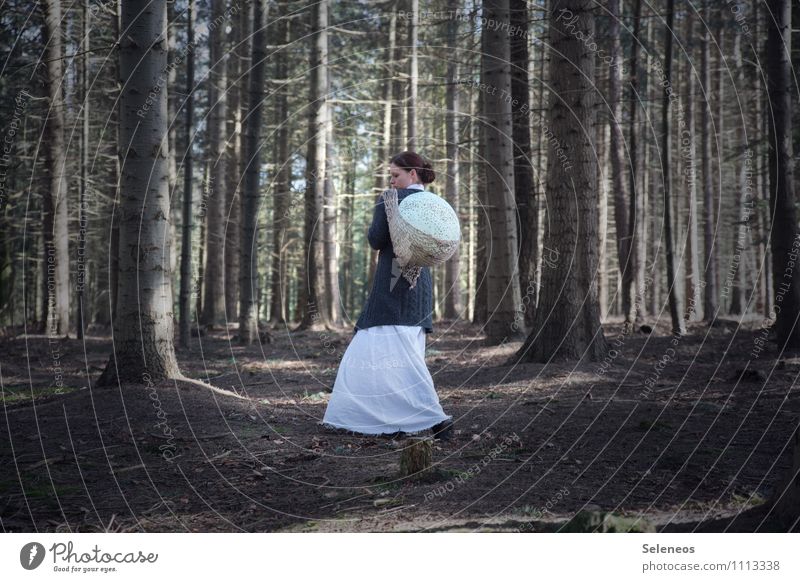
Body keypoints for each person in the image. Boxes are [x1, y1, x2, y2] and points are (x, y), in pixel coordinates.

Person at [321, 151, 453, 440]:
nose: (391, 181)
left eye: (395, 175)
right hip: (420, 289)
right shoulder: (435, 204)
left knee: (373, 352)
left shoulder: (390, 200)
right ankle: (398, 420)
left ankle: (435, 418)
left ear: (412, 174)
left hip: (390, 288)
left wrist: (382, 213)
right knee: (407, 352)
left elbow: (376, 239)